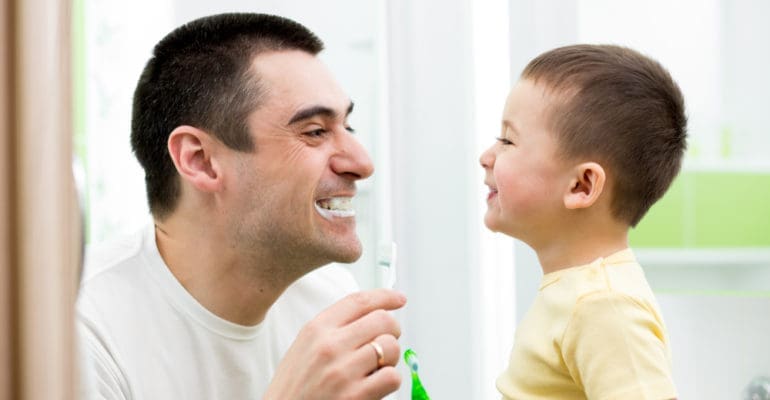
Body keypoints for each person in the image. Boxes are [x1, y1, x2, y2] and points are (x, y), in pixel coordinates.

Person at [77, 13, 405, 400]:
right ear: (200, 160)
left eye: (347, 128)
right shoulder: (76, 333)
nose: (362, 162)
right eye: (315, 131)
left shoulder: (326, 298)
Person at [479, 44, 686, 399]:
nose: (486, 156)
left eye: (507, 140)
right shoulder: (578, 295)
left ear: (581, 185)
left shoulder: (604, 306)